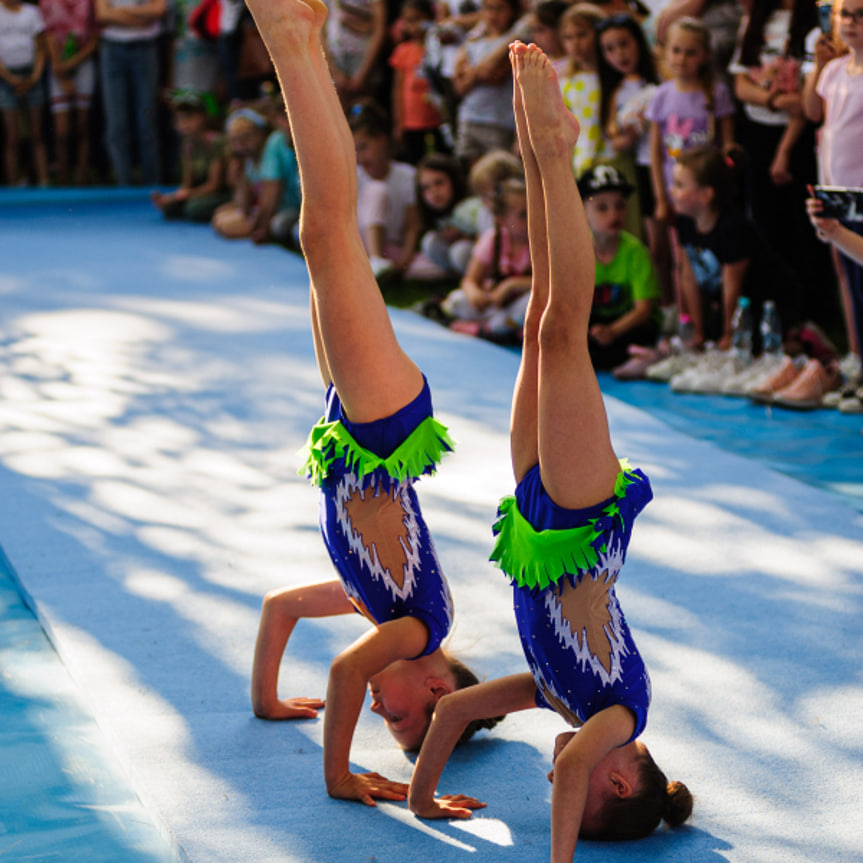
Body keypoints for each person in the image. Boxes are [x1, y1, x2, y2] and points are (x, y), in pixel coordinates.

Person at [407, 43, 692, 858]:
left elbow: (456, 709)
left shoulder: (559, 695)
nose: (550, 781)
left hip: (539, 512)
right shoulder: (619, 712)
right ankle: (558, 150)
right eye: (579, 800)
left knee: (539, 318)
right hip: (581, 512)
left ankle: (538, 150)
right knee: (567, 326)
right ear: (615, 779)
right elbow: (566, 783)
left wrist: (424, 799)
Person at [244, 0, 493, 805]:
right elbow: (348, 670)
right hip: (382, 425)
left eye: (381, 725)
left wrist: (264, 701)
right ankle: (290, 40)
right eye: (397, 721)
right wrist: (340, 774)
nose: (380, 710)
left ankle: (306, 42)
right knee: (327, 233)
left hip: (350, 428)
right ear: (432, 692)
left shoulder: (366, 602)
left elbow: (280, 608)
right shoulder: (419, 627)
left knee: (328, 237)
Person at [728, 0, 827, 327]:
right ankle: (777, 317)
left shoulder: (814, 21)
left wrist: (784, 149)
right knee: (767, 227)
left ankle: (810, 317)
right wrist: (774, 100)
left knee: (804, 228)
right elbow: (740, 84)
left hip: (798, 136)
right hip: (758, 132)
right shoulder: (756, 18)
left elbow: (806, 101)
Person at [803, 0, 863, 404]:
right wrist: (815, 65)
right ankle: (857, 358)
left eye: (862, 15)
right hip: (836, 190)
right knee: (848, 280)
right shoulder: (833, 70)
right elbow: (812, 112)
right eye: (846, 14)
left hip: (861, 192)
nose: (852, 23)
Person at [597, 12, 668, 301]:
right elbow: (615, 136)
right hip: (645, 167)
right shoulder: (617, 91)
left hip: (676, 163)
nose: (619, 54)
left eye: (624, 44)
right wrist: (633, 128)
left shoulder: (663, 74)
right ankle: (667, 305)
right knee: (658, 245)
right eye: (610, 49)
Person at [578, 164, 661, 369]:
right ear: (581, 211)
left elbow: (643, 310)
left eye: (620, 205)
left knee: (646, 331)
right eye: (602, 208)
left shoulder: (636, 252)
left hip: (626, 326)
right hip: (597, 326)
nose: (614, 214)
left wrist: (613, 331)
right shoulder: (577, 251)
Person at [440, 175, 532, 342]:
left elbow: (549, 284)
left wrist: (510, 285)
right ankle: (506, 329)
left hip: (521, 306)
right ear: (502, 220)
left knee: (532, 306)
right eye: (523, 215)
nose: (532, 219)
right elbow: (470, 280)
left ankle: (485, 330)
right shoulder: (493, 240)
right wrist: (476, 295)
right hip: (496, 307)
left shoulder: (541, 244)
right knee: (457, 300)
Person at [94, 0, 165, 186]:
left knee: (147, 120)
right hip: (112, 48)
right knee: (116, 124)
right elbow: (102, 15)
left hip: (145, 47)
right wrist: (140, 15)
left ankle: (153, 184)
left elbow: (158, 10)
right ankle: (123, 184)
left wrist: (119, 13)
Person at [212, 106, 301, 244]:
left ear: (261, 132)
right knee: (220, 216)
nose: (241, 145)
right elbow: (243, 206)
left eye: (246, 136)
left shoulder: (272, 147)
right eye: (236, 140)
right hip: (266, 210)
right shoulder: (248, 162)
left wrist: (260, 227)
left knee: (226, 227)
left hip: (285, 209)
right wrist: (239, 177)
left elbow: (271, 195)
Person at [451, 0, 520, 166]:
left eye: (500, 9)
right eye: (489, 9)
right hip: (469, 117)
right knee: (473, 177)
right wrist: (478, 74)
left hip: (498, 121)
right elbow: (459, 86)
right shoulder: (473, 42)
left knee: (499, 173)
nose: (493, 15)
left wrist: (472, 74)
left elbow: (494, 76)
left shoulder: (513, 41)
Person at [40, 0, 99, 186]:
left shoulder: (89, 2)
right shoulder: (47, 2)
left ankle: (82, 177)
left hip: (83, 64)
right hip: (57, 65)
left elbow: (94, 38)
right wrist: (60, 68)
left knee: (83, 125)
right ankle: (63, 179)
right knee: (61, 130)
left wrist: (72, 64)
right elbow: (47, 33)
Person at [151, 91, 230, 222]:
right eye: (179, 119)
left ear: (203, 117)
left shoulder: (215, 142)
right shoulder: (187, 146)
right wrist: (171, 197)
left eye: (188, 117)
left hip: (222, 193)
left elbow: (214, 186)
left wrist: (184, 195)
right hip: (201, 193)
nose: (183, 124)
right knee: (169, 208)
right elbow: (187, 184)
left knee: (194, 209)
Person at [389, 0, 447, 164]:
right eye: (409, 20)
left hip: (435, 118)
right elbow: (397, 89)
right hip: (412, 121)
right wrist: (398, 122)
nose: (414, 26)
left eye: (418, 19)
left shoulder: (436, 48)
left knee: (439, 158)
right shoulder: (403, 50)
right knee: (415, 159)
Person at [0, 0, 49, 187]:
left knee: (37, 134)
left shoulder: (31, 12)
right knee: (12, 137)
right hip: (6, 79)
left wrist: (35, 77)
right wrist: (10, 78)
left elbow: (40, 47)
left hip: (31, 76)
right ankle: (13, 186)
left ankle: (44, 183)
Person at [558, 2, 608, 178]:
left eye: (582, 35)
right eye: (568, 37)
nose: (575, 43)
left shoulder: (611, 77)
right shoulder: (566, 82)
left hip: (611, 157)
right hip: (581, 160)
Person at [415, 151, 476, 275]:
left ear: (453, 180)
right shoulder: (435, 215)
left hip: (478, 253)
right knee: (430, 241)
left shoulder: (471, 206)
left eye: (439, 183)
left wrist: (467, 236)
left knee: (460, 251)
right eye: (426, 188)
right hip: (455, 255)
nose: (434, 192)